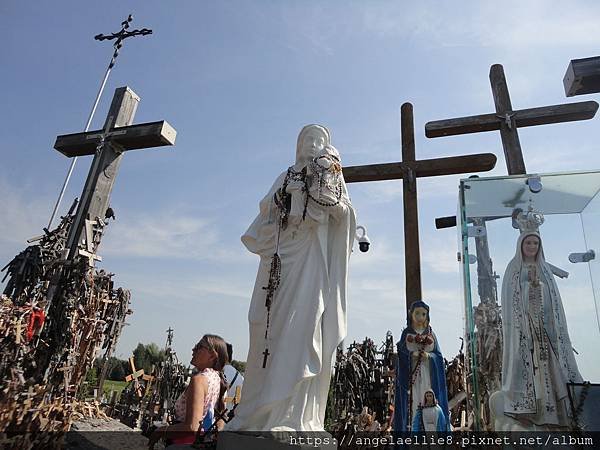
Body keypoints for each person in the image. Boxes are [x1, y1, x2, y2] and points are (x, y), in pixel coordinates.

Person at [226, 124, 356, 431]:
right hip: (280, 262)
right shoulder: (284, 177)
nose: (311, 144)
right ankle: (256, 412)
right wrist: (285, 199)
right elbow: (264, 216)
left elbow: (346, 214)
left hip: (311, 263)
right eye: (306, 139)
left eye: (317, 140)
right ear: (297, 145)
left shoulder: (331, 176)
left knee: (303, 328)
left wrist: (331, 204)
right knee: (265, 330)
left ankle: (292, 415)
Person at [500, 231, 582, 428]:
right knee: (532, 372)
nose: (532, 246)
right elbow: (511, 301)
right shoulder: (514, 268)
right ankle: (531, 413)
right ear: (521, 245)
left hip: (545, 331)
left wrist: (540, 287)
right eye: (528, 242)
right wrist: (530, 287)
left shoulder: (544, 268)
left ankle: (557, 416)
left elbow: (554, 302)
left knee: (551, 371)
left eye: (535, 243)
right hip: (525, 331)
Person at [148, 334, 228, 448]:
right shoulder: (217, 379)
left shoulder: (199, 380)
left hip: (185, 443)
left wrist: (161, 431)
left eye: (199, 346)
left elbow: (191, 427)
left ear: (212, 355)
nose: (193, 349)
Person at [394, 300, 450, 432]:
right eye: (417, 313)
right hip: (411, 376)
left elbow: (438, 356)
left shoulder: (431, 334)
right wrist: (410, 355)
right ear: (411, 314)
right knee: (413, 401)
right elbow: (401, 353)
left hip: (428, 374)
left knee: (428, 396)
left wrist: (429, 357)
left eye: (423, 314)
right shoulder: (406, 334)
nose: (420, 317)